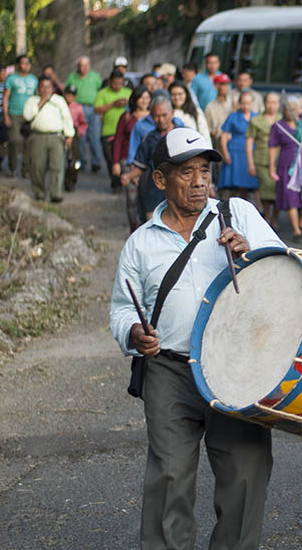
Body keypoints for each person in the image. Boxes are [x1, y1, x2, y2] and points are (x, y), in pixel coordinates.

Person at [110, 127, 283, 549]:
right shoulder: (140, 244)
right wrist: (134, 332)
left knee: (245, 475)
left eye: (204, 170)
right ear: (159, 180)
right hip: (168, 370)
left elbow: (285, 274)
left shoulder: (237, 215)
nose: (199, 181)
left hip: (236, 365)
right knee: (169, 477)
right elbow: (121, 307)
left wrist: (252, 255)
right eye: (186, 172)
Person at [123, 97, 185, 221]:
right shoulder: (150, 139)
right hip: (156, 190)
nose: (160, 120)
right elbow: (141, 165)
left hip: (181, 189)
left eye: (164, 115)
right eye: (156, 116)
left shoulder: (183, 134)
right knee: (153, 222)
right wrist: (129, 176)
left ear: (172, 113)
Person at [22, 76, 74, 203]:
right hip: (37, 136)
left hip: (55, 136)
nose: (46, 90)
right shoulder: (32, 101)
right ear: (38, 88)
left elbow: (67, 118)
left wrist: (69, 135)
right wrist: (41, 102)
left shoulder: (59, 100)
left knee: (57, 166)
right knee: (37, 167)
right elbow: (27, 116)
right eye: (43, 87)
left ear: (52, 88)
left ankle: (55, 193)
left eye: (48, 87)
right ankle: (39, 192)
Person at [268, 96, 302, 238]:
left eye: (293, 109)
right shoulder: (278, 126)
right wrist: (271, 167)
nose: (290, 112)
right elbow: (273, 147)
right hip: (286, 165)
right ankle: (297, 231)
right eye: (287, 109)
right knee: (290, 196)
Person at [113, 86, 151, 232]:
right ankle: (134, 230)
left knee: (146, 198)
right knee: (132, 199)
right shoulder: (127, 117)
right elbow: (117, 140)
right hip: (127, 161)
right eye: (141, 98)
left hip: (147, 164)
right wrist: (115, 162)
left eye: (147, 98)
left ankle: (145, 230)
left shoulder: (154, 117)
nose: (144, 101)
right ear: (135, 100)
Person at [245, 92, 282, 225]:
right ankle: (266, 217)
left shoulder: (282, 120)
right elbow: (249, 142)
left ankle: (275, 219)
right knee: (266, 190)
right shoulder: (256, 121)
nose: (272, 106)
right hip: (261, 159)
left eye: (275, 102)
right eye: (269, 102)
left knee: (279, 190)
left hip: (280, 161)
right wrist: (250, 163)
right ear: (265, 103)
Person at [94, 70, 133, 191]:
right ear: (110, 81)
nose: (117, 86)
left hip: (125, 132)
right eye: (115, 83)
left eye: (120, 83)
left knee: (123, 158)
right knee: (110, 158)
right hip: (108, 131)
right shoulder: (102, 93)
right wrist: (113, 104)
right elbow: (96, 109)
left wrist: (128, 106)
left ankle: (123, 180)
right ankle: (115, 182)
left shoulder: (129, 92)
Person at [65, 56, 104, 173]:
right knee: (80, 136)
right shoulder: (72, 77)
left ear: (89, 66)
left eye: (86, 65)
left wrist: (101, 110)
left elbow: (100, 92)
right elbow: (66, 91)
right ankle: (81, 161)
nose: (84, 68)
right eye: (81, 65)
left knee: (94, 136)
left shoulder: (95, 76)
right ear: (78, 66)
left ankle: (96, 162)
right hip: (78, 108)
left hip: (93, 109)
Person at [219, 91, 259, 201]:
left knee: (250, 184)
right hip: (235, 152)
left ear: (252, 103)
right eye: (243, 103)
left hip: (251, 153)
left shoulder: (257, 117)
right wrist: (225, 153)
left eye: (248, 103)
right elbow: (224, 136)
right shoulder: (233, 116)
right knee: (235, 186)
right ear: (239, 103)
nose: (245, 106)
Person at [3, 54, 38, 177]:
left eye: (28, 63)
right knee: (14, 140)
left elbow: (37, 98)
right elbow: (6, 97)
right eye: (23, 63)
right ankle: (12, 167)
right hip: (14, 114)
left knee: (28, 143)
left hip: (29, 116)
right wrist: (6, 115)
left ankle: (26, 170)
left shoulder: (34, 80)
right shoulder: (11, 79)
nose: (26, 65)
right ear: (18, 65)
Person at [62, 85, 88, 192]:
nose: (69, 97)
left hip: (74, 133)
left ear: (75, 96)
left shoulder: (78, 107)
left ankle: (72, 181)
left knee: (75, 160)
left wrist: (80, 133)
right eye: (67, 94)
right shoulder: (60, 104)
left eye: (72, 95)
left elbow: (83, 123)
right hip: (61, 132)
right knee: (63, 160)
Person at [204, 73, 232, 148]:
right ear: (216, 86)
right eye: (223, 84)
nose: (226, 87)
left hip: (234, 142)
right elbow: (208, 128)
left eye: (227, 84)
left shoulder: (234, 103)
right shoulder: (210, 107)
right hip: (218, 142)